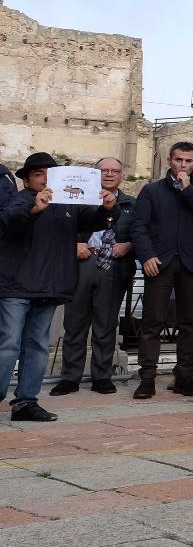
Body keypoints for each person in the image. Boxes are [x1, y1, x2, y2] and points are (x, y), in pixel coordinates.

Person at [0, 154, 120, 421]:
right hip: (16, 287)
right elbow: (9, 220)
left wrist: (108, 207)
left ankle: (25, 403)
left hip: (49, 288)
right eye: (38, 174)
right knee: (8, 344)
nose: (44, 179)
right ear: (28, 180)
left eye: (48, 174)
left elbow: (95, 220)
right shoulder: (20, 199)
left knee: (38, 346)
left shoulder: (69, 203)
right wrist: (34, 208)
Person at [130, 141, 193, 399]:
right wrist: (147, 256)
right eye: (179, 160)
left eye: (188, 161)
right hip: (160, 263)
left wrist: (187, 189)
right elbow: (139, 226)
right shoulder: (151, 191)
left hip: (192, 264)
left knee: (191, 324)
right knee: (152, 322)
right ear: (170, 160)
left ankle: (185, 377)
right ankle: (146, 378)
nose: (183, 165)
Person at [52, 157, 134, 396]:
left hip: (114, 266)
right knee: (74, 324)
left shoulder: (131, 203)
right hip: (82, 263)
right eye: (104, 170)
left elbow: (142, 232)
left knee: (106, 325)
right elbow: (58, 229)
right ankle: (70, 377)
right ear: (95, 175)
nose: (109, 174)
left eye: (114, 171)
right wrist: (72, 245)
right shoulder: (76, 198)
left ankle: (102, 376)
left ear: (121, 175)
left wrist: (129, 246)